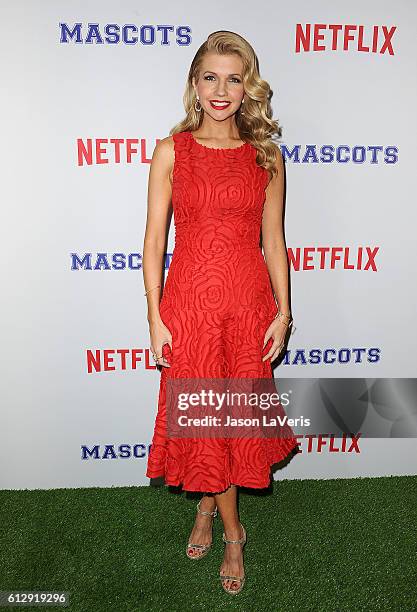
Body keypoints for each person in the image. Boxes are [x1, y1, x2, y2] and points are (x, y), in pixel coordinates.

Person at [142, 30, 300, 595]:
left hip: (246, 305)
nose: (221, 89)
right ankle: (234, 530)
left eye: (234, 78)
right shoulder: (172, 150)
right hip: (189, 306)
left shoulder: (265, 155)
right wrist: (156, 316)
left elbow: (275, 242)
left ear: (247, 87)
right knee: (206, 419)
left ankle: (212, 515)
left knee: (226, 421)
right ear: (194, 82)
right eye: (210, 76)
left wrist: (283, 313)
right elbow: (155, 238)